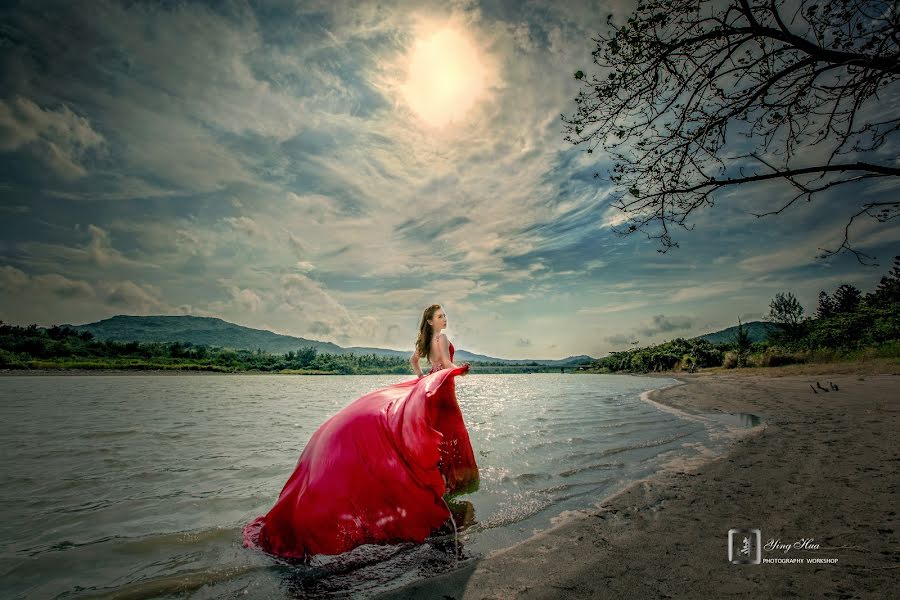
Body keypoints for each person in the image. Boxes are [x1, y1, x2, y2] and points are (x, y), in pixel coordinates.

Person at [242, 304, 478, 560]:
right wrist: (459, 369)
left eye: (444, 316)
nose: (445, 319)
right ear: (431, 322)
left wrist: (423, 376)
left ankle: (434, 490)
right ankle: (437, 497)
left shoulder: (427, 340)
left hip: (431, 389)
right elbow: (445, 363)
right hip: (442, 394)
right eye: (440, 316)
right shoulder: (441, 338)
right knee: (442, 439)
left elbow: (415, 361)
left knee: (426, 438)